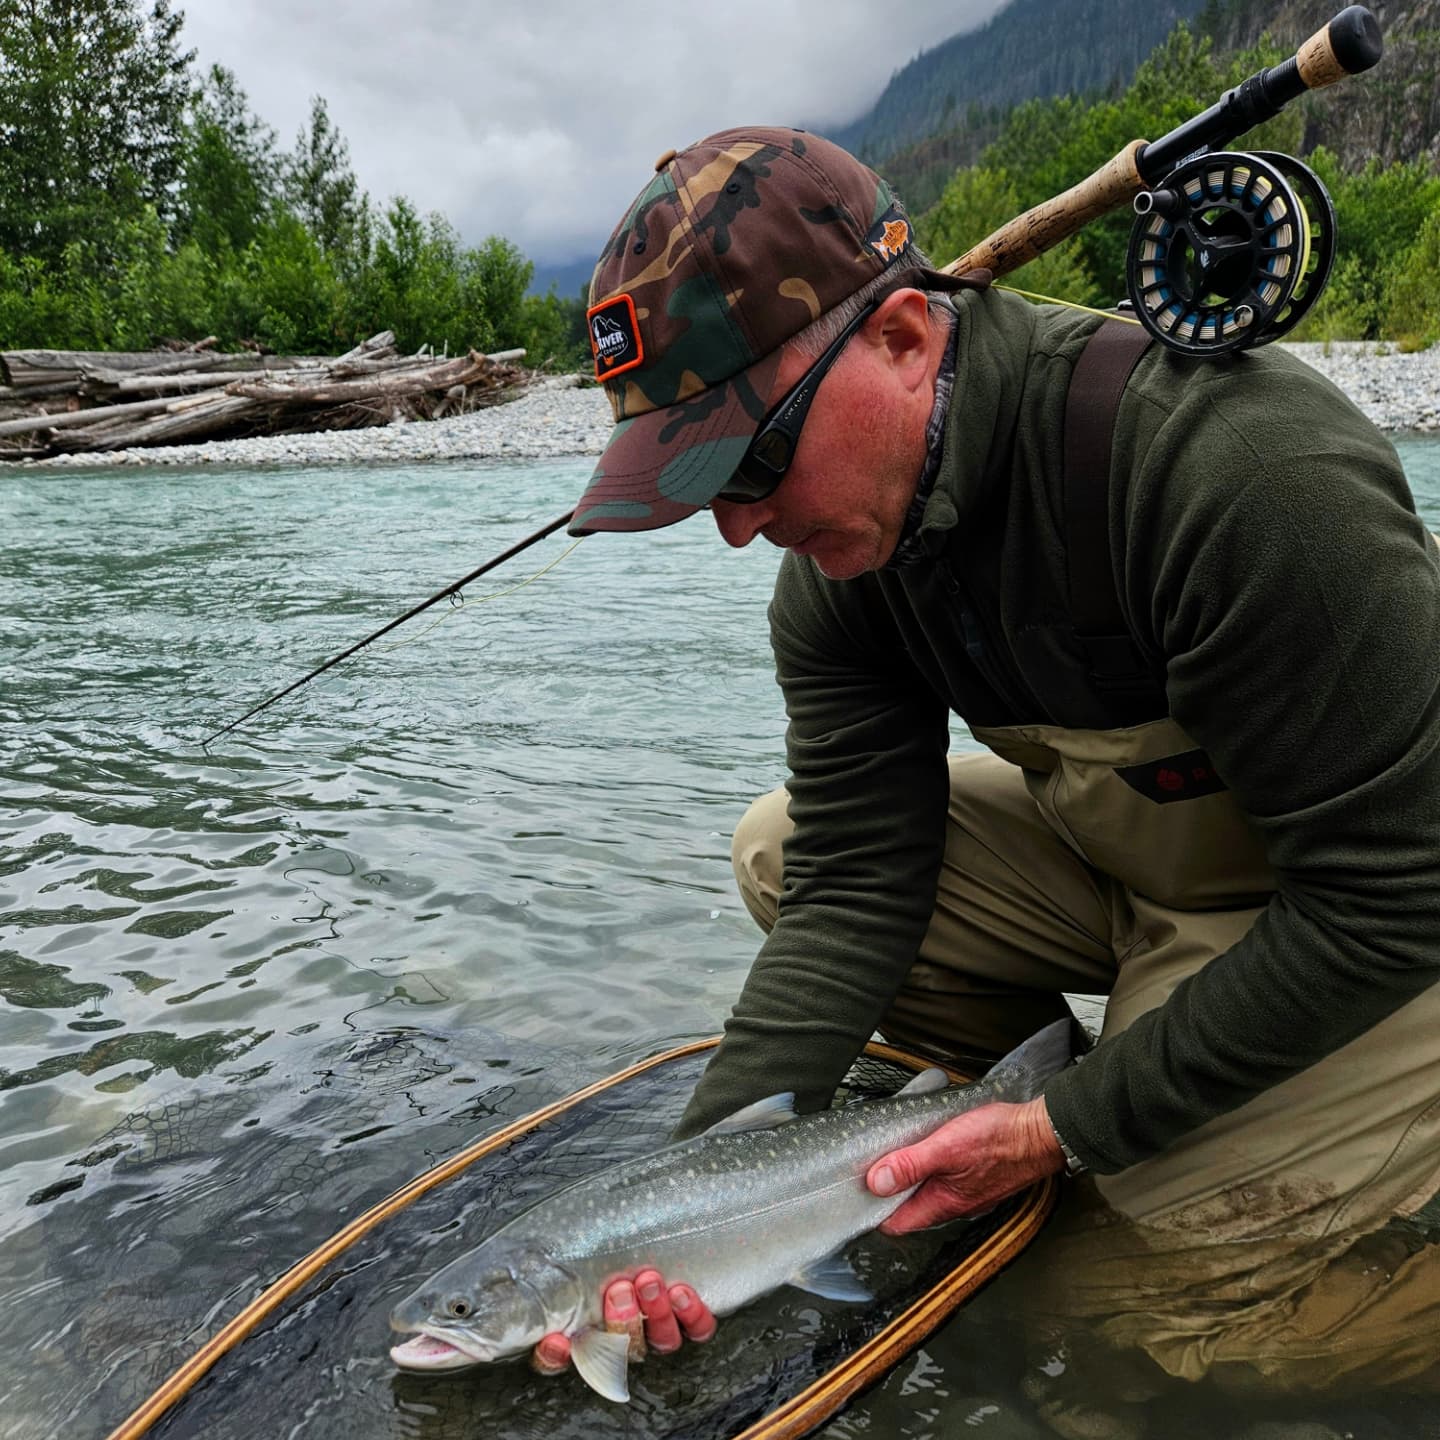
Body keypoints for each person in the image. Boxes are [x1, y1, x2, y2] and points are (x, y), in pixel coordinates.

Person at [532, 125, 1440, 1410]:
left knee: (1122, 1316)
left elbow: (1392, 897)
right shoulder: (843, 567)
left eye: (747, 462)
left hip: (1385, 909)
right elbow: (852, 878)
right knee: (779, 852)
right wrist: (672, 1207)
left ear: (905, 339)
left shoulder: (1238, 475)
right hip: (1163, 878)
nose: (739, 528)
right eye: (693, 487)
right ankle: (1102, 1067)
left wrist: (1062, 1131)